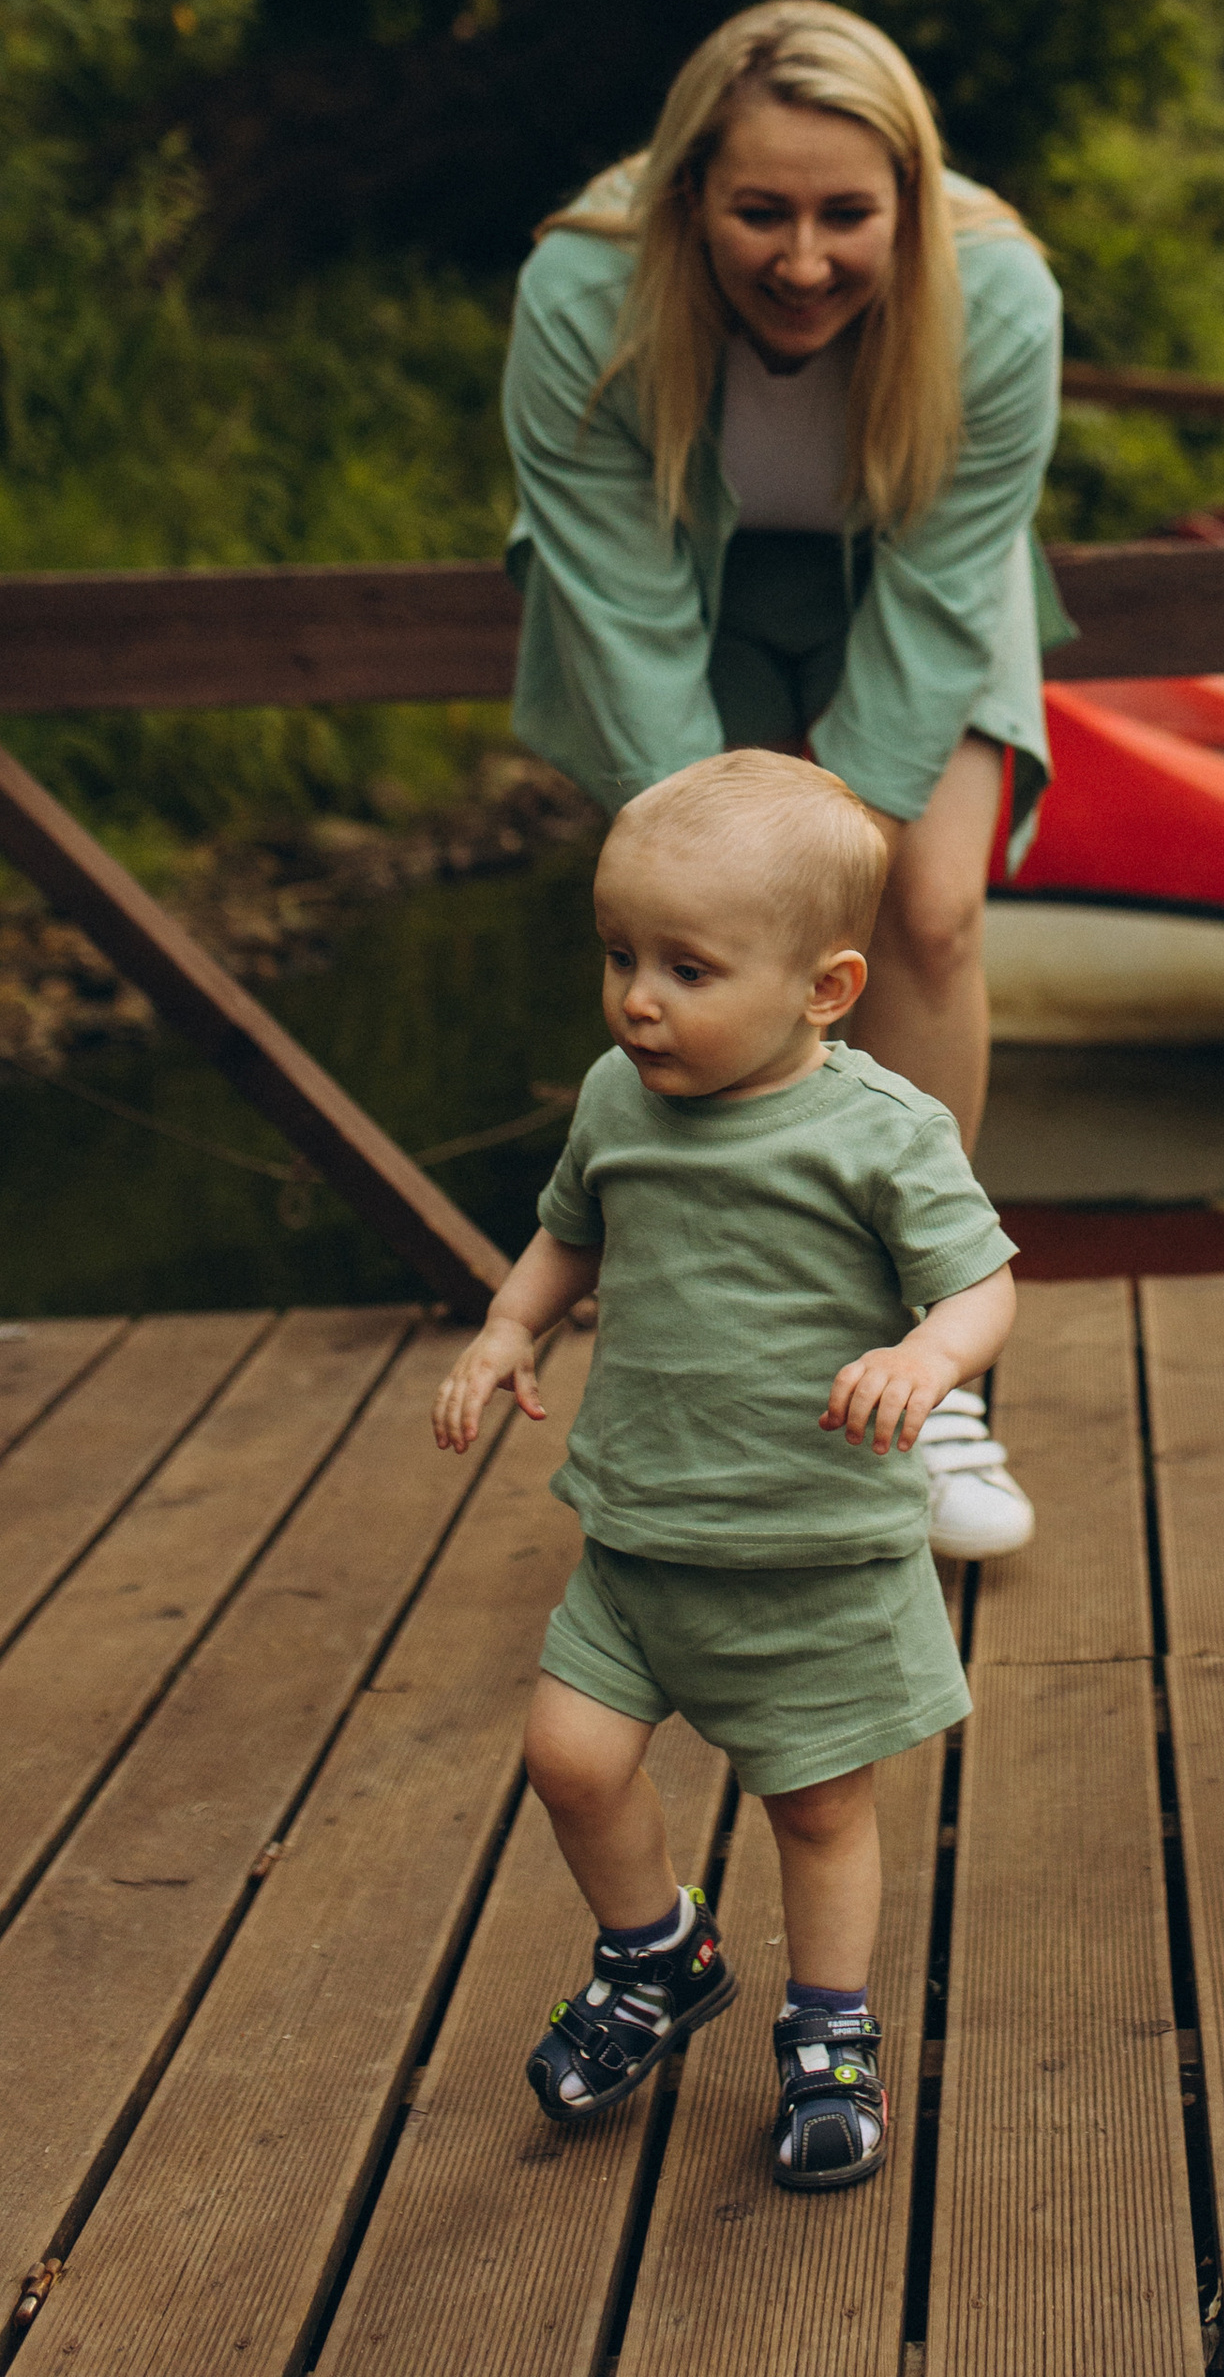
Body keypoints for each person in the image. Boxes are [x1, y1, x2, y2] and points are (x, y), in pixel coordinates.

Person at [502, 0, 1059, 1559]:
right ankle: (730, 1353)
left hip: (914, 588)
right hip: (676, 598)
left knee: (929, 911)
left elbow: (953, 580)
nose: (803, 260)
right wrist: (731, 875)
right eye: (760, 211)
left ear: (910, 203)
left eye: (845, 216)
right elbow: (613, 593)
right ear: (689, 198)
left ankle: (933, 1361)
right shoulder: (581, 288)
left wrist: (832, 857)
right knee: (693, 944)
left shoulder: (1001, 292)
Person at [432, 748, 1017, 2193]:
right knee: (568, 1759)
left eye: (687, 969)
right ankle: (659, 1955)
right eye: (619, 956)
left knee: (816, 1807)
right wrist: (512, 1325)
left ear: (823, 989)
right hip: (639, 1531)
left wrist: (930, 1360)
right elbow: (573, 1230)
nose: (638, 998)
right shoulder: (620, 1099)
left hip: (808, 1545)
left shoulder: (881, 1133)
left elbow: (984, 1283)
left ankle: (830, 2030)